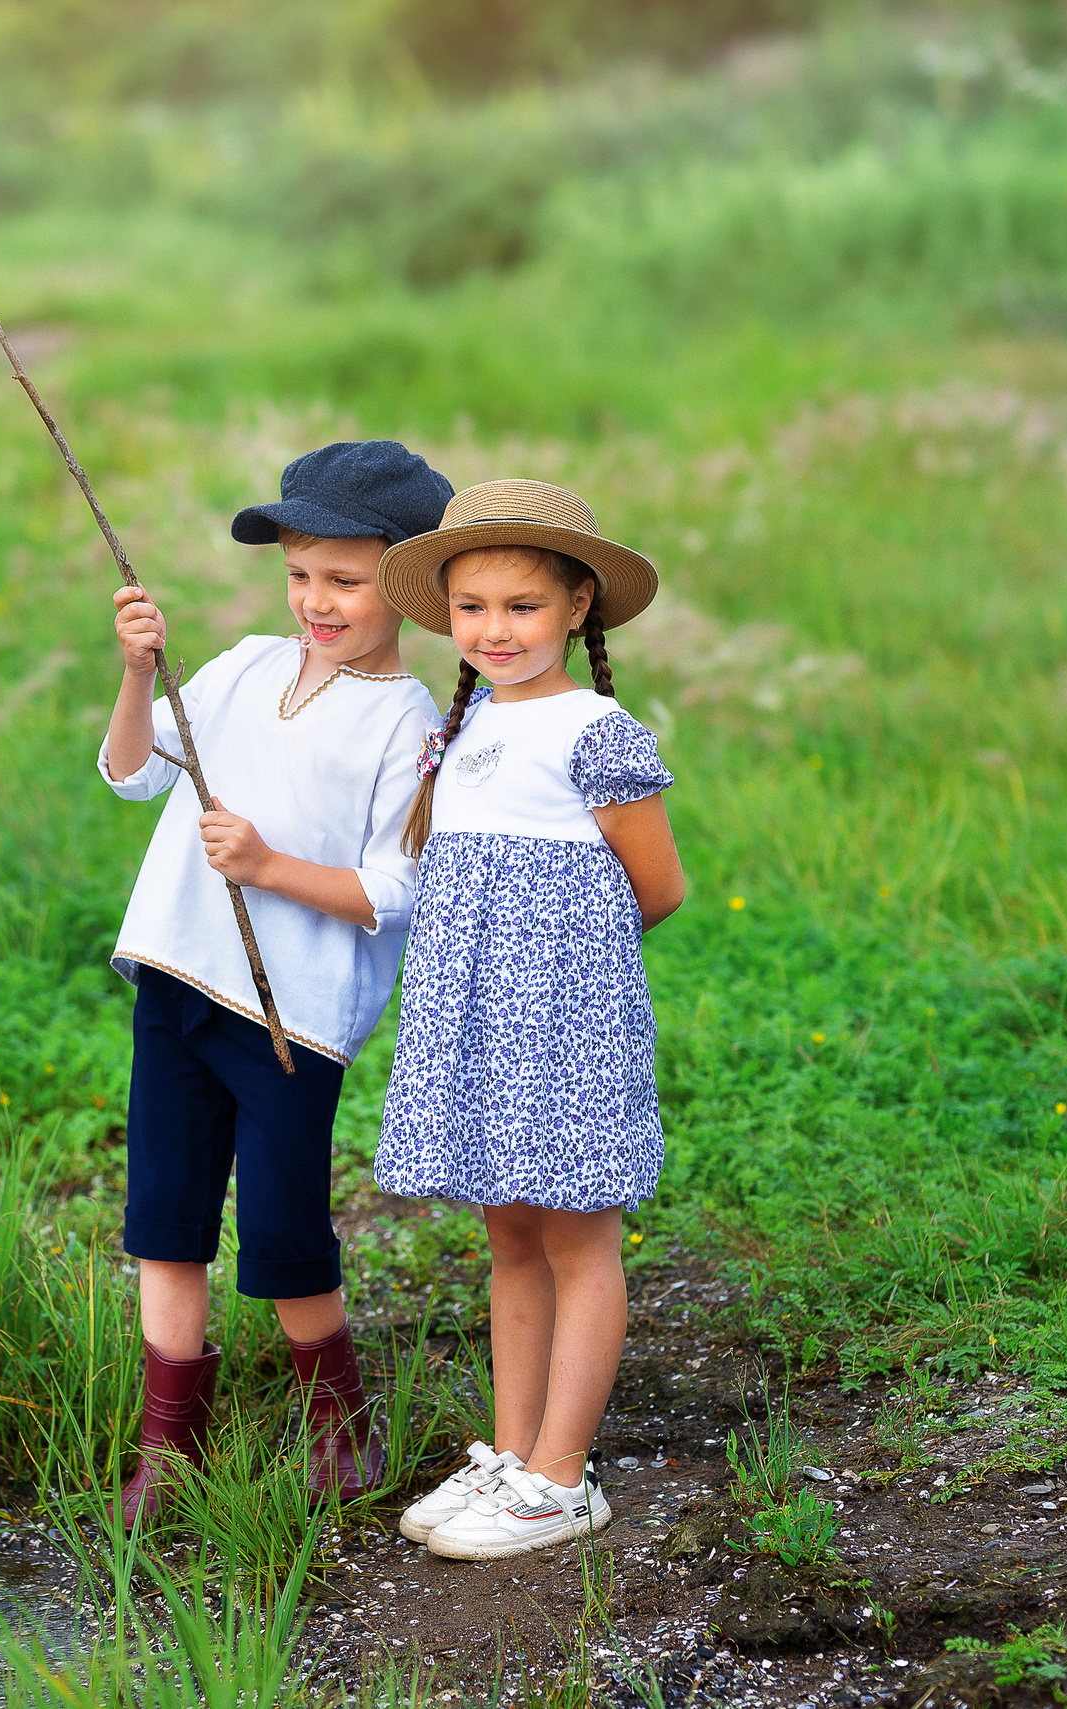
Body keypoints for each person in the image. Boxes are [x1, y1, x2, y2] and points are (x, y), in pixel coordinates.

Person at [100, 440, 452, 1521]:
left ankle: (338, 1429)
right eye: (301, 575)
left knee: (288, 1223)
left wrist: (266, 867)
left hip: (289, 1014)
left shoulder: (408, 722)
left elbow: (395, 887)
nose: (316, 600)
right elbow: (131, 770)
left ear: (404, 582)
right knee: (165, 1210)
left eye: (343, 579)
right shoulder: (246, 663)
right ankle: (171, 1447)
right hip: (175, 977)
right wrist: (134, 673)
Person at [371, 479, 686, 1561]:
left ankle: (561, 1474)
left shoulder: (595, 727)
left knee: (576, 1233)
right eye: (471, 607)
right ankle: (512, 1455)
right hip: (475, 1023)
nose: (493, 629)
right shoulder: (462, 726)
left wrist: (564, 966)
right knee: (509, 1233)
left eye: (520, 605)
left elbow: (657, 886)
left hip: (564, 1019)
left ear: (577, 607)